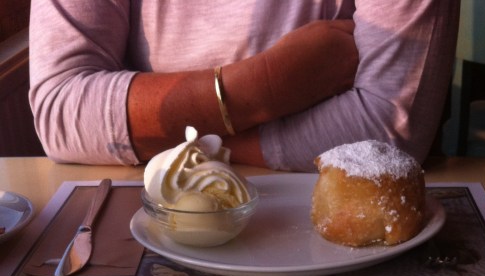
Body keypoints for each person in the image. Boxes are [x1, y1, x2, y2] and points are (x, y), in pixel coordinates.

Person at [28, 0, 460, 171]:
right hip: (145, 216)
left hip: (337, 215)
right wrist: (266, 84)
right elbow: (61, 111)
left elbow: (389, 131)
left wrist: (159, 134)